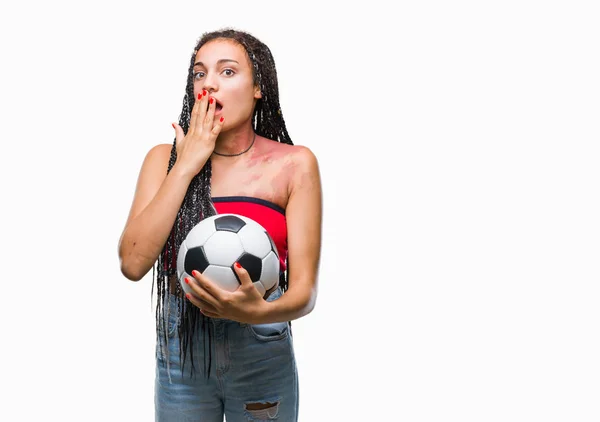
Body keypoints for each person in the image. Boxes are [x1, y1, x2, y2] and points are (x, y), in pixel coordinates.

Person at [117, 28, 322, 421]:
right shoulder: (164, 159)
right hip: (183, 350)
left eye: (227, 72)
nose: (208, 84)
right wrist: (187, 164)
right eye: (199, 73)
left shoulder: (294, 164)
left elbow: (305, 293)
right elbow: (133, 264)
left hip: (262, 347)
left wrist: (256, 312)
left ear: (259, 86)